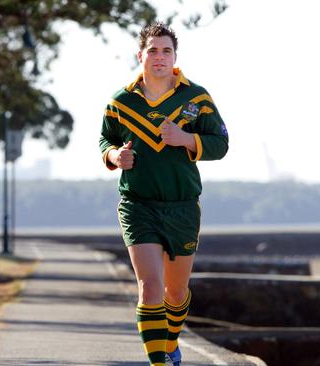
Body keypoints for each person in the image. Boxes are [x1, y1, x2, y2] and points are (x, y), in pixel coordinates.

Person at [99, 22, 229, 366]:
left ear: (175, 57)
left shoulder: (196, 97)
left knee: (175, 292)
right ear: (140, 55)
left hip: (183, 206)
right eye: (153, 50)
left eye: (166, 51)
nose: (159, 57)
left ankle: (170, 342)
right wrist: (115, 156)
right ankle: (159, 362)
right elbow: (105, 140)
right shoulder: (121, 102)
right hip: (137, 205)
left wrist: (185, 139)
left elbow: (221, 144)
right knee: (150, 287)